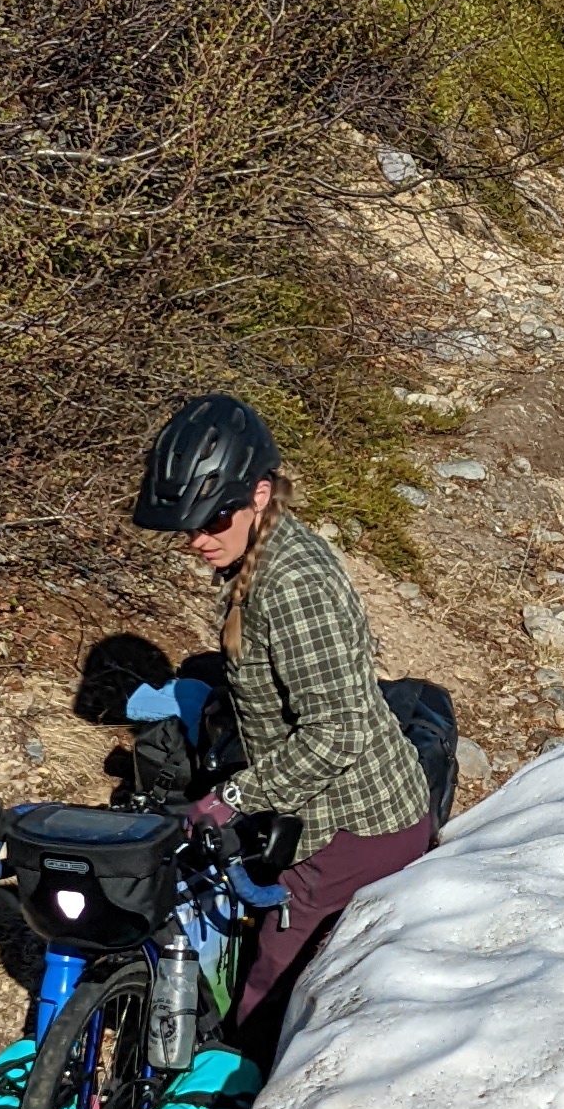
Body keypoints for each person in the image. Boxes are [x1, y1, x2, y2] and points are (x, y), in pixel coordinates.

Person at [133, 393, 433, 1053]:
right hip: (315, 811)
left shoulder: (288, 582)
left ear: (259, 494)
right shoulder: (259, 557)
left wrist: (231, 798)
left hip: (357, 827)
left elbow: (339, 728)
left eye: (213, 518)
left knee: (265, 1002)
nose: (197, 539)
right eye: (188, 525)